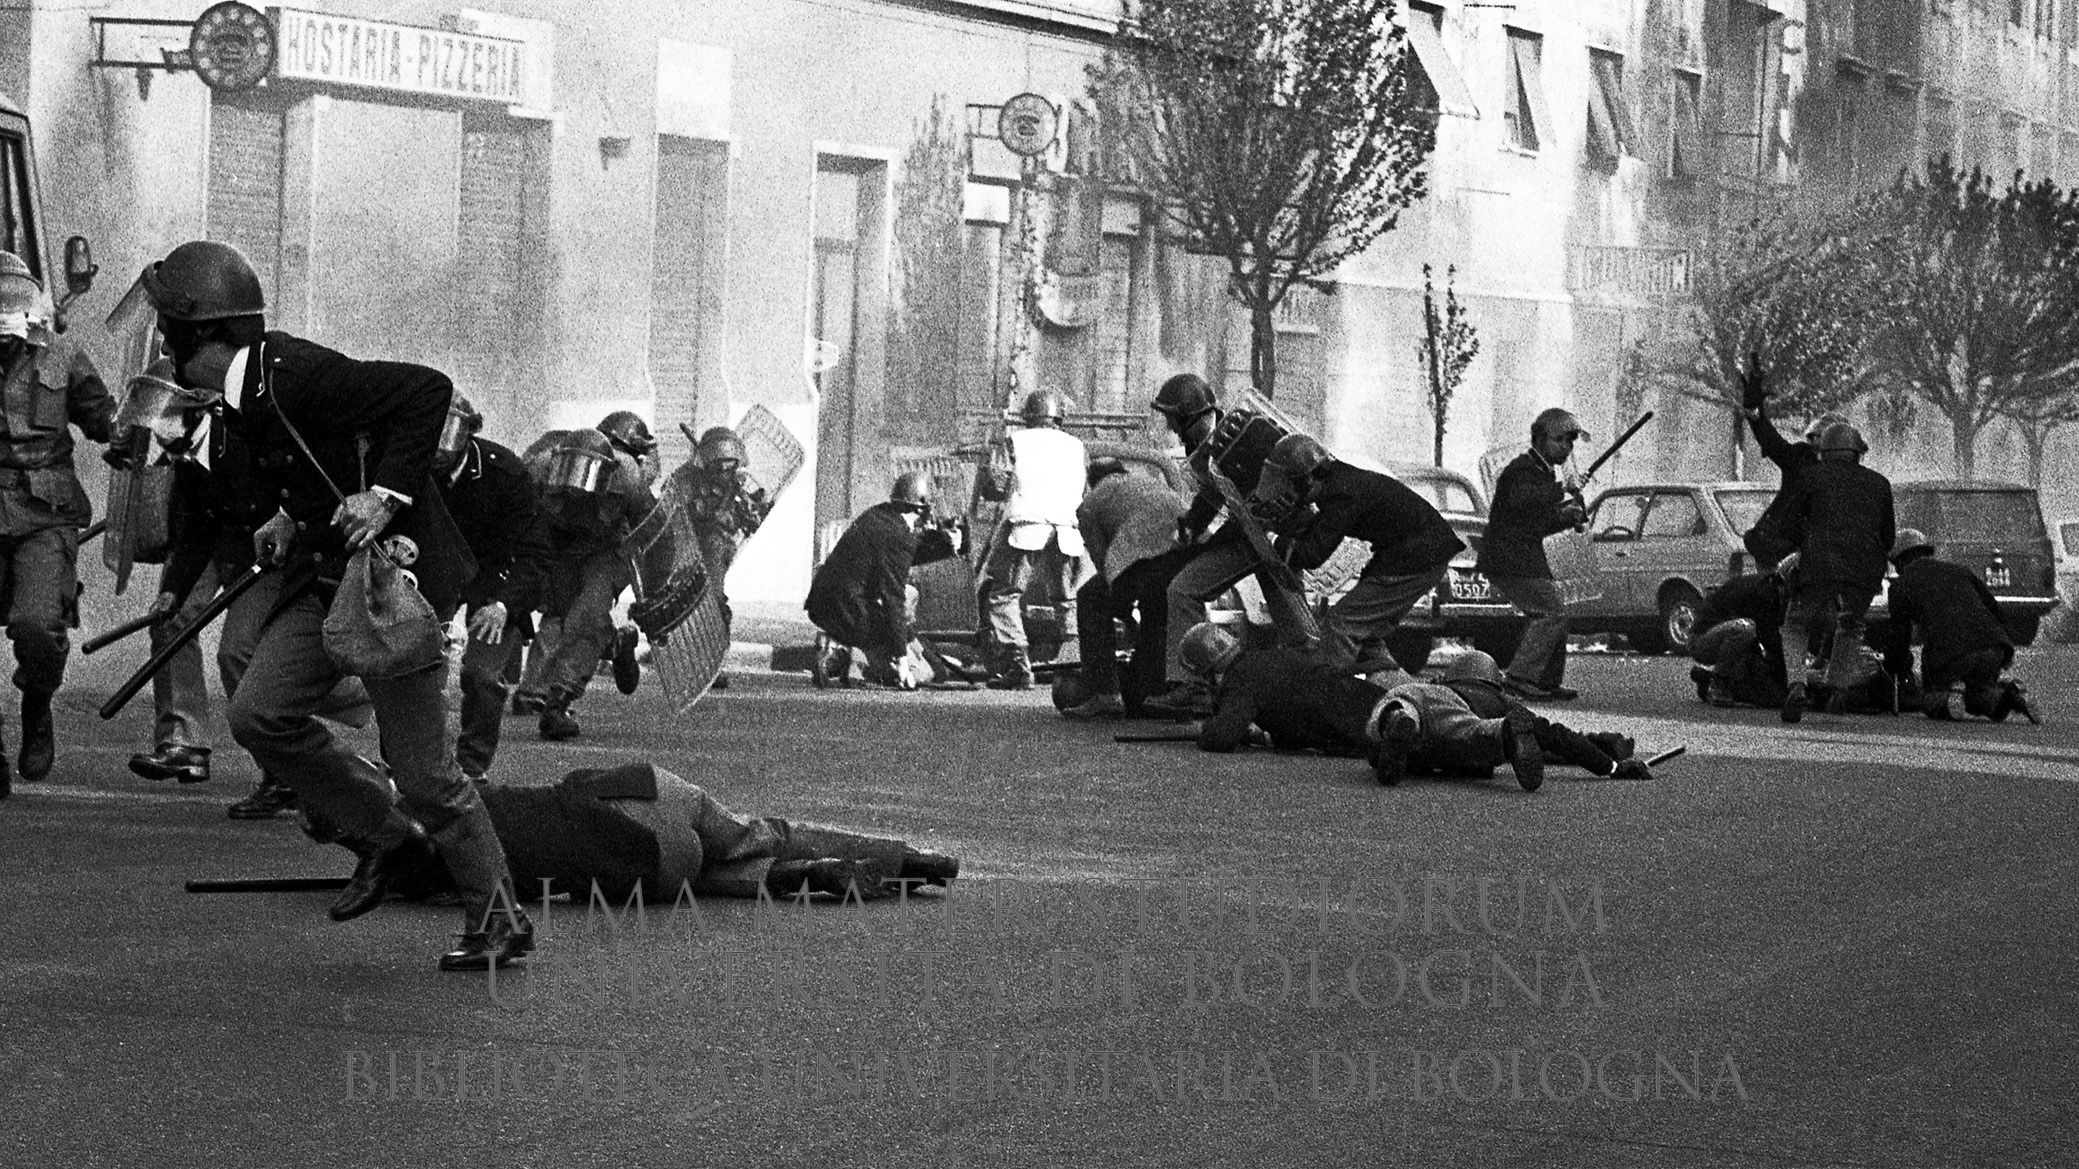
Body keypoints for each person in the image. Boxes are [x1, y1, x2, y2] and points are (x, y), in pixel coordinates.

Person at [138, 238, 526, 972]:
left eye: (168, 328)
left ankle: (501, 919)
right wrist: (292, 515)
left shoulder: (294, 373)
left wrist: (384, 497)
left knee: (426, 773)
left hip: (389, 589)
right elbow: (317, 467)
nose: (162, 341)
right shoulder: (241, 395)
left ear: (199, 333)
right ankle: (384, 837)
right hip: (328, 579)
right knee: (258, 712)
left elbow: (426, 391)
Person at [382, 761, 960, 904]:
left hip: (645, 858)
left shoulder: (414, 861)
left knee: (703, 877)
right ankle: (911, 858)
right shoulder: (446, 789)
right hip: (646, 789)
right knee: (770, 831)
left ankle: (791, 879)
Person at [0, 250, 115, 795]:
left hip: (45, 510)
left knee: (39, 629)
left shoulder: (62, 354)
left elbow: (102, 416)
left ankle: (37, 705)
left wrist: (131, 430)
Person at [1144, 374, 1314, 719]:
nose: (1172, 428)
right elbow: (1214, 492)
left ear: (1189, 415)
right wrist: (1193, 524)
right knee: (1183, 591)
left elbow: (1290, 485)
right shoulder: (1202, 446)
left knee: (1298, 629)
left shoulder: (1250, 432)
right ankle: (1194, 688)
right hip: (1250, 538)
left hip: (1276, 539)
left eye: (1173, 419)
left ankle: (1320, 692)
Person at [1251, 434, 1463, 673]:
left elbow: (1312, 554)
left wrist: (1271, 538)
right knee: (1368, 637)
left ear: (1308, 479)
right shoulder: (1340, 482)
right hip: (1420, 555)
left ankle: (1328, 694)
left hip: (1417, 558)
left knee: (1340, 626)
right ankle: (1391, 689)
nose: (1287, 490)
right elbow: (1319, 530)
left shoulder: (1343, 494)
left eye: (1290, 483)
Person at [431, 393, 544, 780]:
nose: (437, 445)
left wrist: (504, 604)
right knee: (410, 665)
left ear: (469, 433)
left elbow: (533, 553)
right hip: (436, 570)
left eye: (448, 431)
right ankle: (413, 760)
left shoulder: (505, 473)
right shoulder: (408, 466)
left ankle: (472, 766)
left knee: (481, 674)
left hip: (495, 577)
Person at [534, 424, 659, 740]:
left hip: (607, 550)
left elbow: (656, 533)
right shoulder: (538, 468)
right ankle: (616, 644)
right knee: (564, 622)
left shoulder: (628, 475)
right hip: (560, 549)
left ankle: (559, 702)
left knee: (586, 618)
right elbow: (520, 520)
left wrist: (656, 593)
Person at [1776, 421, 1893, 723]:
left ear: (1824, 451)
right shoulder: (1880, 484)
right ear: (1857, 452)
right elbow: (1888, 536)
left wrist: (1803, 544)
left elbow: (1787, 524)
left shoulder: (1809, 478)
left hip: (1819, 565)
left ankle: (1797, 685)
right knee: (1852, 625)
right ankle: (1838, 691)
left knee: (1795, 624)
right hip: (1865, 570)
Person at [804, 471, 960, 688]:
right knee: (923, 673)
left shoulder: (881, 516)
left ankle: (842, 650)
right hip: (847, 612)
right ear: (920, 508)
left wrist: (945, 547)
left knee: (908, 609)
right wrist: (902, 659)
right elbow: (894, 599)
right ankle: (846, 658)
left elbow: (904, 552)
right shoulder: (898, 535)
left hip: (826, 603)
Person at [1475, 408, 1589, 701]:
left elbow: (1537, 521)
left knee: (1554, 612)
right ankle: (1519, 678)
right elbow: (1523, 499)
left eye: (1570, 442)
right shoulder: (1522, 469)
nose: (1566, 447)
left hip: (1523, 556)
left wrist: (1568, 517)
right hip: (1508, 558)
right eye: (1560, 440)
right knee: (1551, 613)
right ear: (1540, 439)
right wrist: (1564, 487)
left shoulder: (1542, 472)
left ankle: (1546, 681)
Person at [976, 390, 1087, 690]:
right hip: (1067, 528)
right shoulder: (1076, 446)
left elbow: (995, 488)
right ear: (1058, 418)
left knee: (1002, 595)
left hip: (1025, 525)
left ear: (1028, 416)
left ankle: (1018, 665)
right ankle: (1074, 661)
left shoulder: (1015, 441)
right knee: (1067, 599)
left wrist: (988, 471)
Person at [1060, 457, 1187, 720]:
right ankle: (1157, 691)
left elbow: (1104, 564)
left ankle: (1105, 694)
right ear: (1122, 471)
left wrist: (1123, 611)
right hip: (1184, 553)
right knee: (1158, 608)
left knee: (1090, 597)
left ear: (1091, 481)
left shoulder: (1090, 505)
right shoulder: (1148, 482)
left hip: (1140, 558)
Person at [1880, 529, 2037, 723]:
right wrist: (2005, 650)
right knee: (1978, 697)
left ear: (1901, 561)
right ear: (1927, 552)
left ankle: (1945, 700)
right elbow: (1996, 611)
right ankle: (2011, 697)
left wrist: (1893, 669)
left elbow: (1899, 637)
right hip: (1995, 648)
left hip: (1953, 652)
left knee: (1931, 698)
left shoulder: (1901, 586)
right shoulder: (1960, 571)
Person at [1430, 651, 1655, 781]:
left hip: (1434, 735)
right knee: (1529, 736)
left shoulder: (1438, 693)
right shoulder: (1498, 701)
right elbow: (1554, 736)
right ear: (1495, 683)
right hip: (1479, 742)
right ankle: (1602, 744)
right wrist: (1611, 767)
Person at [682, 425, 774, 691]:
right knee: (701, 607)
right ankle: (702, 664)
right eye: (720, 465)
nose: (725, 470)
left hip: (716, 549)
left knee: (715, 607)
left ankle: (711, 665)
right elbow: (673, 508)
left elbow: (750, 518)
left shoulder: (736, 486)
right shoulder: (688, 480)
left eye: (729, 465)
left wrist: (756, 509)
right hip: (690, 547)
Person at [1738, 357, 1849, 570]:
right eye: (1815, 438)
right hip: (1780, 550)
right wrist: (1756, 413)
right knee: (1773, 595)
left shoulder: (1849, 476)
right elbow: (1772, 443)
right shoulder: (1801, 460)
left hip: (1820, 555)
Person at [1687, 561, 1793, 709]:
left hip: (1731, 641)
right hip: (1702, 639)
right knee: (1744, 629)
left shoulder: (1771, 591)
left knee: (1773, 696)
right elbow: (1769, 638)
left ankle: (1707, 679)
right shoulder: (1762, 594)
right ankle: (1719, 683)